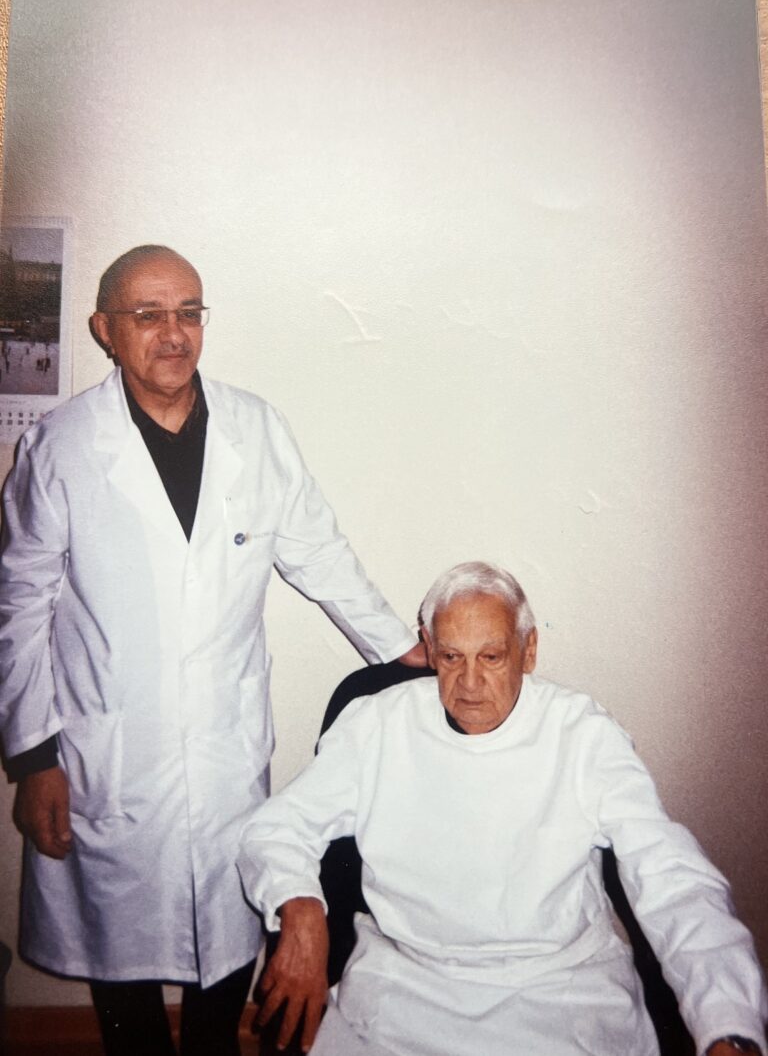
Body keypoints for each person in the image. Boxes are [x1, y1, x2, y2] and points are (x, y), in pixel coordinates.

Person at [0, 245, 423, 1056]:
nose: (173, 333)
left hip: (225, 742)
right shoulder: (61, 445)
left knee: (229, 925)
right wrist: (33, 756)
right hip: (106, 748)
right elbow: (17, 604)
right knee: (116, 941)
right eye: (148, 315)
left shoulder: (254, 429)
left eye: (189, 312)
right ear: (105, 329)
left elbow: (319, 553)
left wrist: (403, 650)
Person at [238, 562, 768, 1056]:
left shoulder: (582, 734)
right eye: (451, 657)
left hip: (563, 995)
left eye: (490, 657)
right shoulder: (376, 724)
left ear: (528, 650)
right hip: (407, 990)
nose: (469, 683)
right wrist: (299, 906)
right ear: (428, 647)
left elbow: (670, 876)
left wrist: (728, 1024)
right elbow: (277, 828)